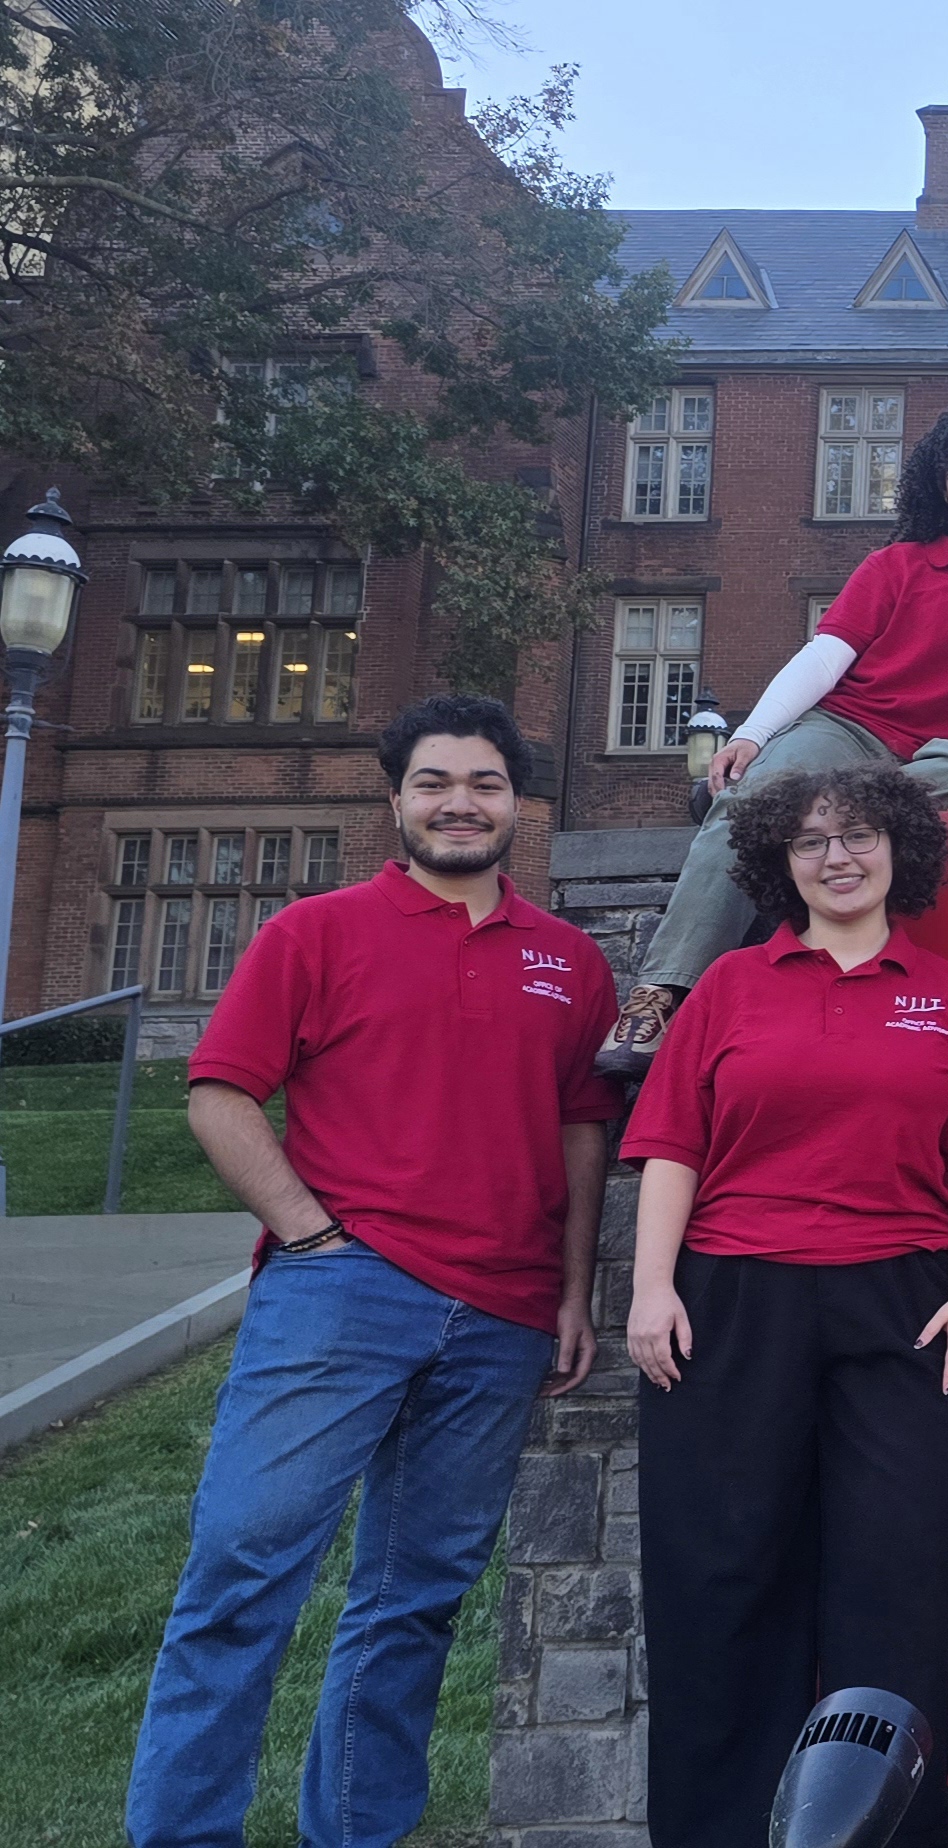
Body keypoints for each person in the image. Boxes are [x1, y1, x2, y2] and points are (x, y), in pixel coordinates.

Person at [130, 696, 617, 1848]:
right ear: (395, 800)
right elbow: (220, 1091)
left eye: (485, 783)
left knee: (414, 1604)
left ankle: (357, 1832)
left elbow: (580, 1130)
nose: (461, 802)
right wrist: (308, 1235)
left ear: (517, 802)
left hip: (502, 1318)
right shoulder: (317, 932)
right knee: (243, 1578)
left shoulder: (570, 962)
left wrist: (569, 1290)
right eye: (436, 781)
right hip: (342, 1294)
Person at [624, 763, 948, 1848]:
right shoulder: (728, 991)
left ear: (899, 848)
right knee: (723, 1568)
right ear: (778, 865)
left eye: (855, 837)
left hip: (905, 1305)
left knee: (897, 1574)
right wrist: (650, 1287)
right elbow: (668, 1145)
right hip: (731, 1299)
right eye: (809, 842)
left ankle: (880, 1828)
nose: (835, 858)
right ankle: (719, 1827)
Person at [599, 406, 948, 1075]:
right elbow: (825, 657)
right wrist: (754, 736)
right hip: (847, 730)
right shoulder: (898, 566)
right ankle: (658, 994)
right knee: (755, 796)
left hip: (945, 761)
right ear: (940, 484)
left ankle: (813, 808)